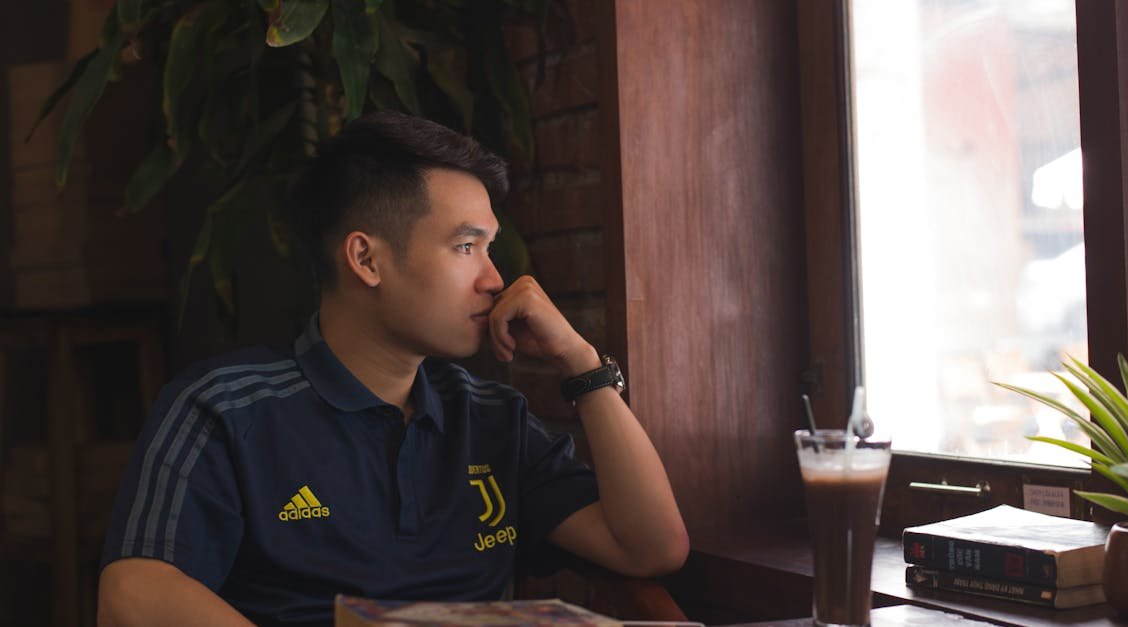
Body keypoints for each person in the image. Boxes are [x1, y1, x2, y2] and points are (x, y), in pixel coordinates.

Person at [96, 112, 689, 626]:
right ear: (366, 259)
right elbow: (133, 594)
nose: (495, 279)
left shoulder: (489, 418)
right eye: (465, 246)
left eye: (489, 248)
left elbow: (651, 549)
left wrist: (583, 365)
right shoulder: (222, 408)